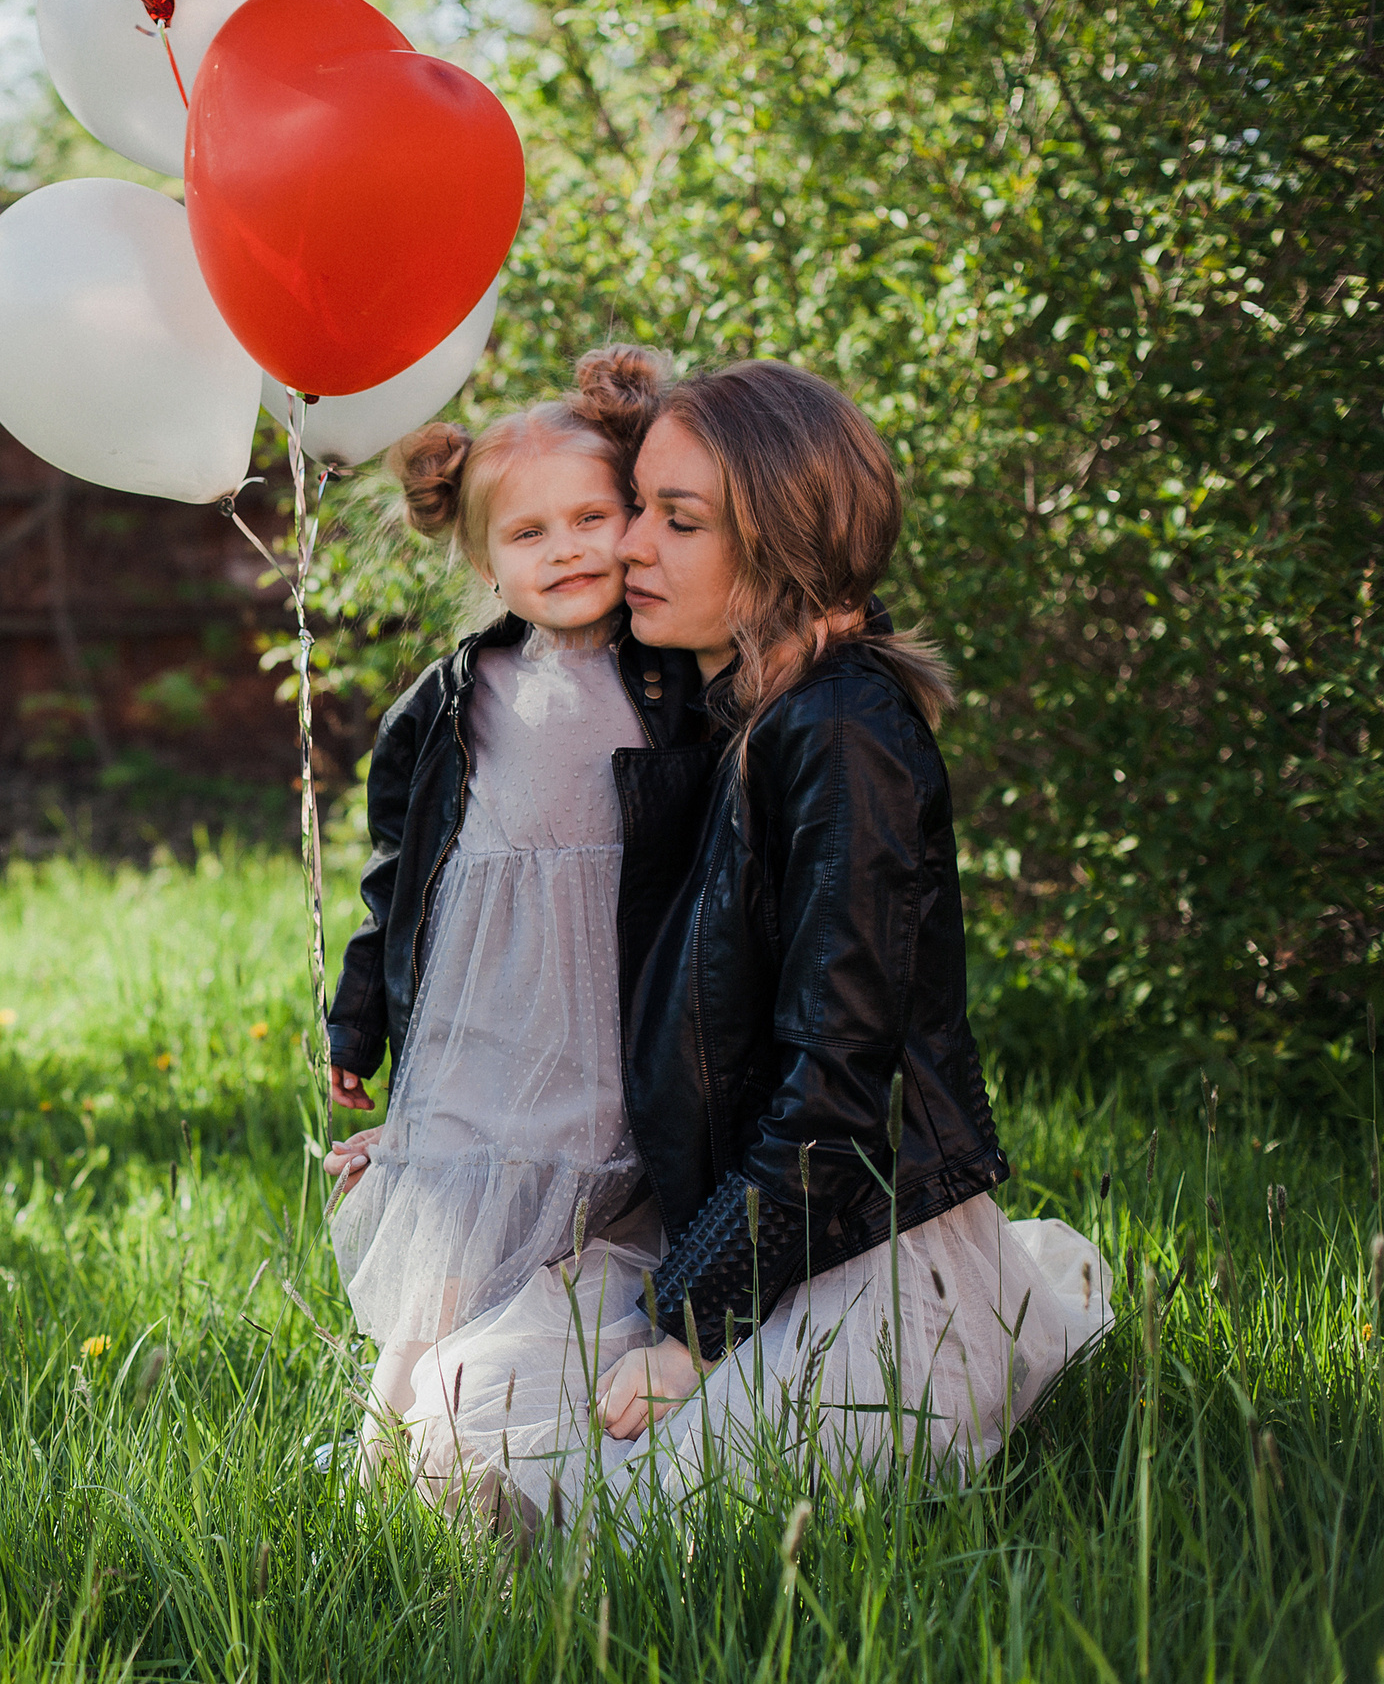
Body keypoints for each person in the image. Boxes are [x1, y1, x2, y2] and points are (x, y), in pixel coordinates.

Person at [402, 359, 1113, 1528]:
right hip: (739, 1223)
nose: (626, 546)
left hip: (856, 1236)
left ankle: (989, 1324)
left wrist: (692, 1331)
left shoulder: (847, 739)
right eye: (636, 506)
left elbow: (844, 1078)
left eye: (675, 520)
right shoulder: (732, 709)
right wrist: (428, 1100)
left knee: (640, 1518)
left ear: (781, 540)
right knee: (451, 1406)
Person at [319, 345, 708, 1478]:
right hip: (485, 1026)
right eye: (529, 534)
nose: (568, 548)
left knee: (576, 1214)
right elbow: (399, 874)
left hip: (609, 1019)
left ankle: (523, 1403)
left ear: (634, 515)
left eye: (592, 516)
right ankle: (390, 1450)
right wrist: (358, 1029)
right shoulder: (456, 698)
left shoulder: (678, 677)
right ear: (483, 558)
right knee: (455, 1220)